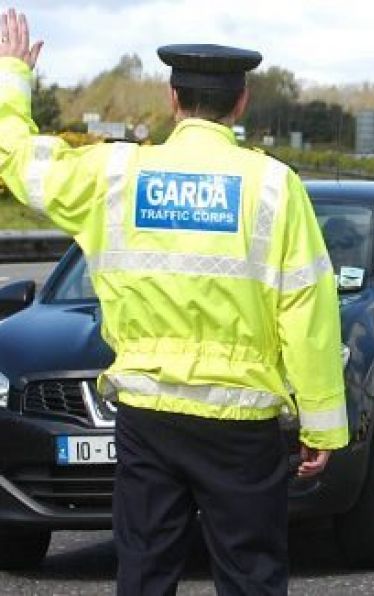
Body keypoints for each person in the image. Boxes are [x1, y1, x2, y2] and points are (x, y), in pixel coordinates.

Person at [0, 9, 348, 595]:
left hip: (147, 413)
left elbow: (17, 160)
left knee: (145, 570)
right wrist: (321, 424)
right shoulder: (273, 186)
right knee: (251, 575)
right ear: (241, 104)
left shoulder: (115, 174)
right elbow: (307, 310)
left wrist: (12, 74)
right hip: (241, 421)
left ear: (172, 99)